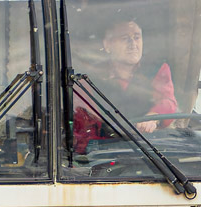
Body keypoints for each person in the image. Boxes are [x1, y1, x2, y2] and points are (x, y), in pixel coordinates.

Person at [73, 13, 177, 154]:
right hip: (105, 152)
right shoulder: (89, 78)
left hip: (151, 151)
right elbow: (83, 119)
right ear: (107, 45)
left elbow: (168, 101)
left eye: (136, 37)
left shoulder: (157, 69)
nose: (133, 44)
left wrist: (152, 117)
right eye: (125, 39)